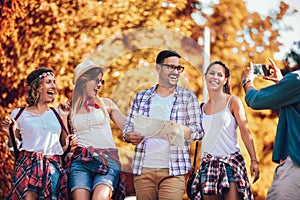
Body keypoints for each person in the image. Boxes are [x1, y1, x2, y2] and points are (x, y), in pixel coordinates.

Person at [123, 50, 204, 200]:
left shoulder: (188, 98)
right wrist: (129, 135)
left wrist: (183, 130)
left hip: (174, 170)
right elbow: (128, 127)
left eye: (178, 68)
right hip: (144, 169)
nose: (176, 72)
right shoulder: (141, 97)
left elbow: (198, 131)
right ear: (158, 68)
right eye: (171, 67)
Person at [0, 68, 77, 200]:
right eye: (48, 82)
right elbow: (15, 152)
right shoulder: (18, 114)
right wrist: (10, 134)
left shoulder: (57, 114)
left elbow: (66, 144)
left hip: (53, 167)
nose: (54, 86)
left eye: (54, 82)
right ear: (36, 87)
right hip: (27, 167)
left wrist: (65, 117)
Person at [241, 42, 300, 200]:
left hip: (296, 165)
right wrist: (282, 84)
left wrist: (247, 81)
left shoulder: (296, 79)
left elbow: (256, 100)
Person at [193, 61, 260, 200]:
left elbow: (245, 131)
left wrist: (254, 160)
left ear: (225, 80)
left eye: (219, 74)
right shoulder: (201, 108)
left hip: (230, 164)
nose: (215, 77)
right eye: (211, 73)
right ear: (205, 77)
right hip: (208, 166)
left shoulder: (233, 101)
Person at [68, 59, 126, 200]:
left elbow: (128, 128)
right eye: (96, 81)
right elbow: (64, 142)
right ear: (83, 82)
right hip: (81, 162)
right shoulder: (69, 110)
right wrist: (69, 145)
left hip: (107, 160)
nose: (99, 85)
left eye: (101, 81)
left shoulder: (107, 104)